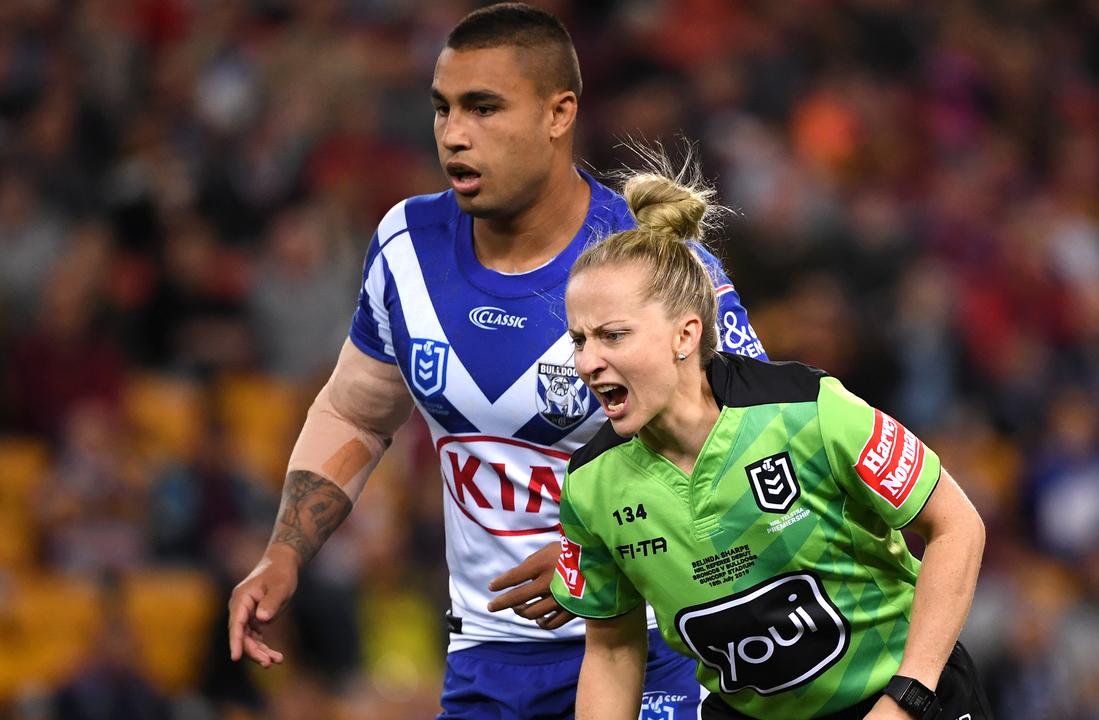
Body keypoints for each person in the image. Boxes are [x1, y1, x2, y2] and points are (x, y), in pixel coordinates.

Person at [226, 4, 766, 719]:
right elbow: (356, 409)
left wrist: (590, 565)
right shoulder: (405, 247)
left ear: (558, 113)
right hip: (485, 661)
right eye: (443, 109)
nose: (454, 134)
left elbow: (760, 466)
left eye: (484, 108)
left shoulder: (656, 262)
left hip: (655, 649)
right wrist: (285, 552)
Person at [550, 157, 991, 719]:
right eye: (579, 340)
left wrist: (906, 697)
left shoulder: (808, 410)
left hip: (899, 695)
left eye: (612, 336)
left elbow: (957, 526)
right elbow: (612, 651)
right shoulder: (592, 486)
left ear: (685, 334)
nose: (588, 361)